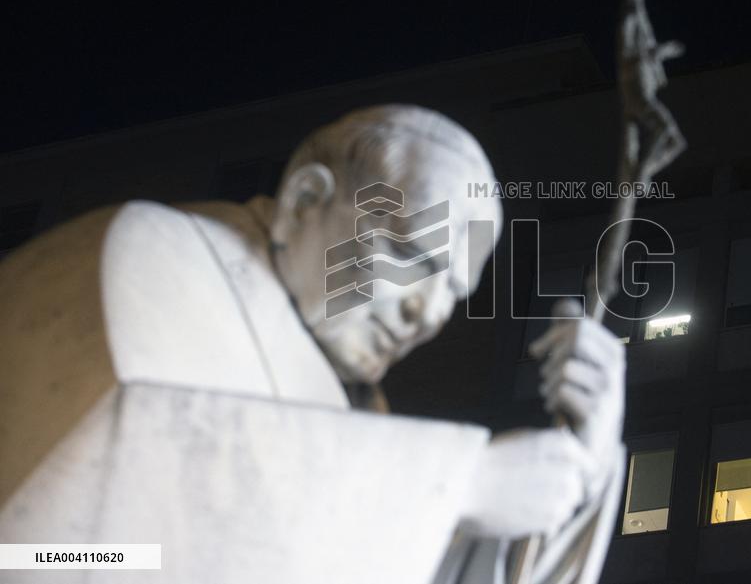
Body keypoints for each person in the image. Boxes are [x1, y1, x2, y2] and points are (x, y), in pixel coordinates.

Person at [0, 105, 626, 583]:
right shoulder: (154, 258)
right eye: (407, 254)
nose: (426, 312)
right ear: (304, 201)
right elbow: (68, 545)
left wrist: (581, 462)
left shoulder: (352, 402)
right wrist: (457, 485)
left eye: (453, 293)